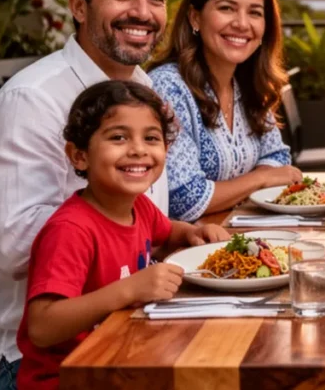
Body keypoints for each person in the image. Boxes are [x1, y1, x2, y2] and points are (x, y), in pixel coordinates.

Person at [0, 0, 175, 389]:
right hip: (38, 359)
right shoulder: (33, 99)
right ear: (79, 6)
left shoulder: (145, 89)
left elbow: (150, 217)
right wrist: (124, 272)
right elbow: (14, 245)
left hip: (123, 322)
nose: (142, 13)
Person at [16, 80, 229, 390]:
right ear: (79, 156)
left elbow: (168, 233)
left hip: (121, 359)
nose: (138, 150)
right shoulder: (71, 230)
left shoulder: (138, 207)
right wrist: (129, 290)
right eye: (118, 137)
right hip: (69, 378)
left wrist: (195, 234)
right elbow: (43, 325)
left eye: (151, 138)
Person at [149, 0, 300, 222]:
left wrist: (240, 188)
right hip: (187, 251)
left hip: (241, 234)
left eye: (255, 13)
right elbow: (184, 199)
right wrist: (262, 178)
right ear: (195, 17)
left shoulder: (247, 83)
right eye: (227, 8)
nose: (242, 23)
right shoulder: (169, 87)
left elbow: (277, 157)